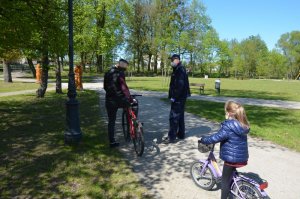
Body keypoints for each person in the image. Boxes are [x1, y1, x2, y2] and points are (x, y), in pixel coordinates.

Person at [199, 100, 250, 199]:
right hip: (242, 158)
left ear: (228, 112)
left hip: (231, 160)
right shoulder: (243, 124)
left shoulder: (228, 125)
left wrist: (204, 140)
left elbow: (216, 137)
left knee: (224, 182)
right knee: (231, 173)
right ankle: (234, 185)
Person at [103, 59, 133, 147]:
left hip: (109, 100)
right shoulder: (120, 73)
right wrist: (127, 98)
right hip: (120, 99)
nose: (126, 68)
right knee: (131, 109)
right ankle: (130, 132)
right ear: (122, 65)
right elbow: (123, 88)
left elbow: (105, 87)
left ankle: (112, 142)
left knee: (111, 121)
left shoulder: (108, 72)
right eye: (125, 66)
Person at [164, 54, 190, 144]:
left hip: (178, 97)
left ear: (176, 60)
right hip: (180, 97)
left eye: (172, 60)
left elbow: (180, 85)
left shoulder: (180, 70)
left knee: (173, 117)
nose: (171, 62)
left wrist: (174, 97)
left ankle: (171, 137)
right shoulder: (178, 69)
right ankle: (181, 134)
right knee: (180, 116)